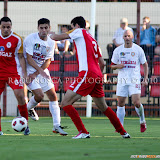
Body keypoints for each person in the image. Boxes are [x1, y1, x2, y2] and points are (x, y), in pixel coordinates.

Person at [50, 16, 130, 139]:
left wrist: (50, 33)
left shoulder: (78, 31)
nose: (72, 30)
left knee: (65, 103)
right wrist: (97, 76)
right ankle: (123, 132)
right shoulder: (92, 39)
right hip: (97, 74)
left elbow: (55, 38)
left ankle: (83, 131)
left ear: (76, 25)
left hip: (87, 73)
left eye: (72, 27)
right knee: (104, 107)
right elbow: (102, 63)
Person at [23, 18, 68, 136]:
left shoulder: (52, 41)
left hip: (41, 70)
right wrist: (34, 73)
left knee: (53, 96)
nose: (44, 30)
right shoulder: (30, 39)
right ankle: (28, 109)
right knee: (39, 95)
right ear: (38, 28)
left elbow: (48, 60)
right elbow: (29, 58)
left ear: (50, 28)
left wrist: (38, 72)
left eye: (46, 28)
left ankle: (56, 126)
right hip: (28, 70)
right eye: (41, 28)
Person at [111, 30, 148, 133]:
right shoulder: (118, 50)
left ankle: (142, 120)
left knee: (136, 102)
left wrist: (145, 78)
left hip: (134, 79)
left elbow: (145, 64)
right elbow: (112, 65)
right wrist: (118, 66)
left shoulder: (138, 49)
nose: (127, 38)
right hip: (122, 80)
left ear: (132, 37)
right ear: (123, 37)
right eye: (125, 36)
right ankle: (120, 127)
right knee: (121, 102)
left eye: (129, 36)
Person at [0, 16, 29, 135]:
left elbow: (21, 57)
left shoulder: (17, 39)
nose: (6, 29)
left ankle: (25, 125)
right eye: (4, 27)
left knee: (20, 96)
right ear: (0, 27)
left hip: (14, 72)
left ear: (11, 27)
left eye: (8, 27)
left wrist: (25, 73)